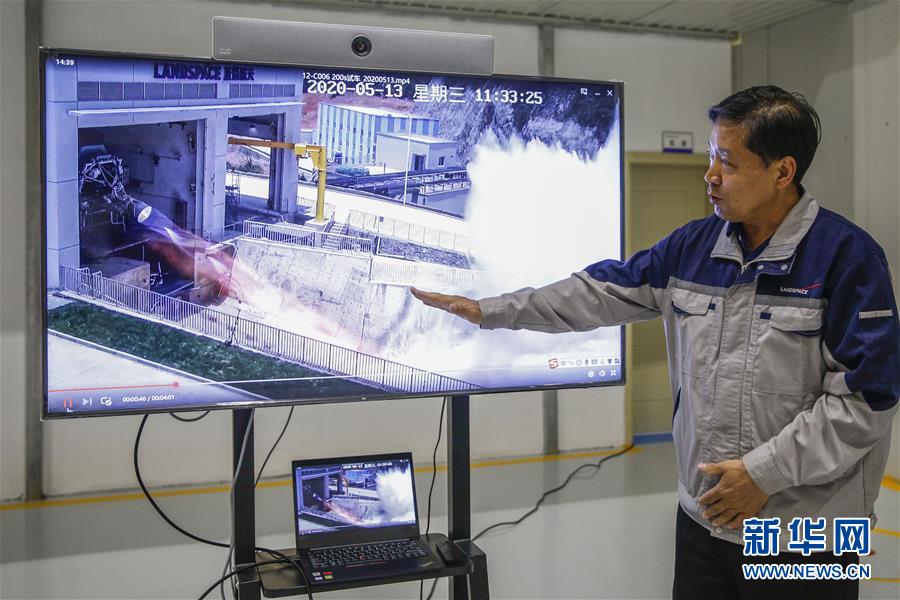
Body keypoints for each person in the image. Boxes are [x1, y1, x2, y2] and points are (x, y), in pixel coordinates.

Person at [410, 85, 899, 600]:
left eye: (728, 162)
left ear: (783, 172)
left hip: (807, 532)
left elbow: (867, 401)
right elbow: (596, 292)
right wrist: (489, 310)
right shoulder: (692, 248)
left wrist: (763, 475)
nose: (710, 175)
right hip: (705, 518)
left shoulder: (847, 259)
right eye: (711, 156)